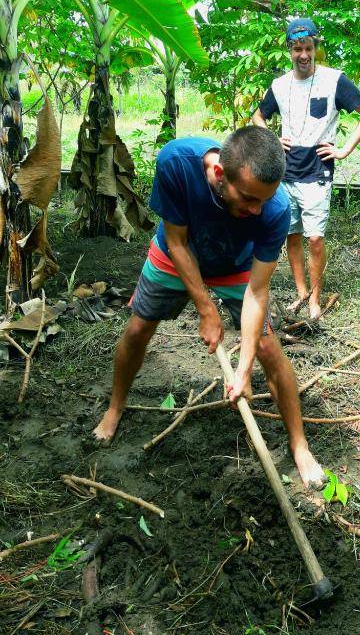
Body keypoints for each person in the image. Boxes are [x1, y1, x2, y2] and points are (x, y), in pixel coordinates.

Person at [93, 126, 325, 488]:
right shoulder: (176, 163)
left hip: (235, 264)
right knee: (138, 329)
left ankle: (299, 445)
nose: (256, 209)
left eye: (264, 200)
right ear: (219, 174)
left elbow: (257, 292)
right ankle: (115, 408)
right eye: (248, 198)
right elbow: (176, 240)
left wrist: (244, 368)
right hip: (178, 254)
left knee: (267, 347)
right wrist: (205, 309)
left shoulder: (274, 209)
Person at [253, 18, 360, 319]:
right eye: (297, 49)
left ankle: (315, 299)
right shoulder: (280, 86)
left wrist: (345, 149)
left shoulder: (334, 80)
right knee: (292, 235)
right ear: (290, 50)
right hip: (286, 171)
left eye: (308, 48)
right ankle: (301, 292)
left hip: (318, 171)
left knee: (315, 238)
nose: (303, 55)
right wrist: (271, 139)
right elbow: (257, 117)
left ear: (315, 48)